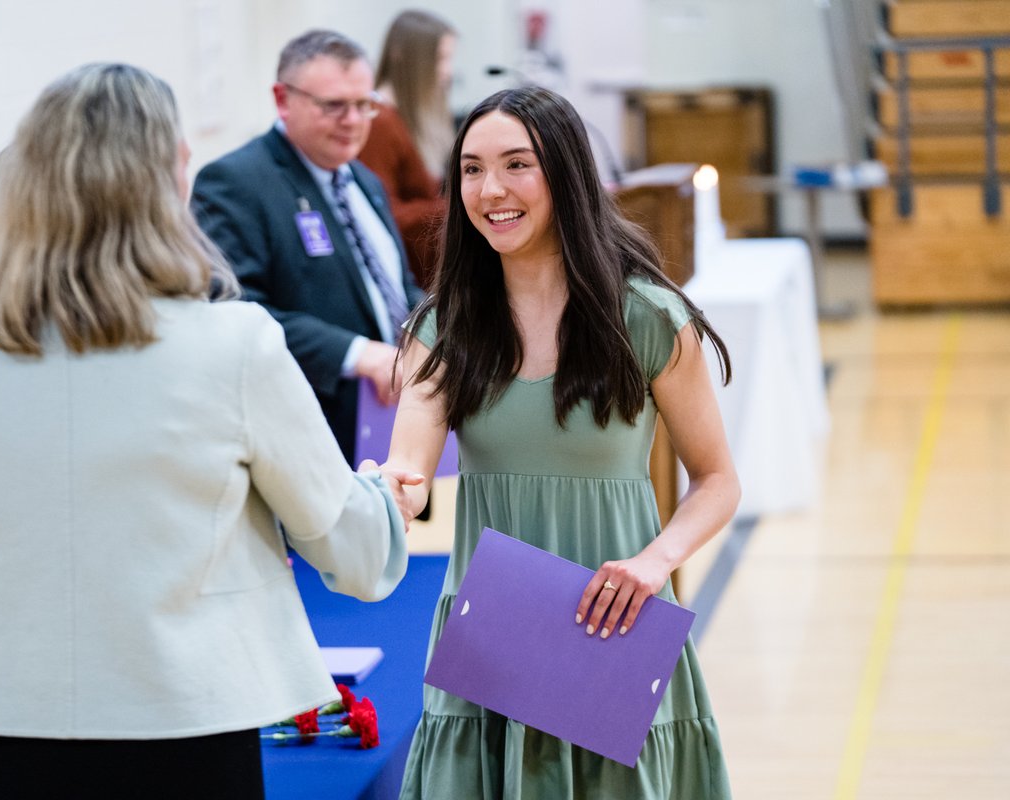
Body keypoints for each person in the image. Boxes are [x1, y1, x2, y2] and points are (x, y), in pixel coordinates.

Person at [0, 63, 418, 800]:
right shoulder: (235, 344)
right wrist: (385, 492)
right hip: (182, 733)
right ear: (167, 183)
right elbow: (354, 554)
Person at [383, 86, 740, 798]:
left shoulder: (648, 317)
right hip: (491, 637)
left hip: (616, 628)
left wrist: (655, 561)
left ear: (566, 177)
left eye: (518, 165)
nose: (492, 190)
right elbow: (407, 467)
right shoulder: (444, 329)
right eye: (472, 169)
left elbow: (717, 479)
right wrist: (392, 490)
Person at [192, 29, 422, 463]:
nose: (354, 121)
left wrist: (440, 330)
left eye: (364, 105)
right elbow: (233, 311)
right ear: (283, 99)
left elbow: (397, 286)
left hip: (388, 425)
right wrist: (358, 354)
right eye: (334, 106)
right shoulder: (234, 183)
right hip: (306, 435)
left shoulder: (363, 181)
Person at [358, 10, 456, 286]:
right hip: (407, 277)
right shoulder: (380, 122)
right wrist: (457, 208)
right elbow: (382, 214)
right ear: (409, 58)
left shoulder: (408, 116)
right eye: (440, 59)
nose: (447, 70)